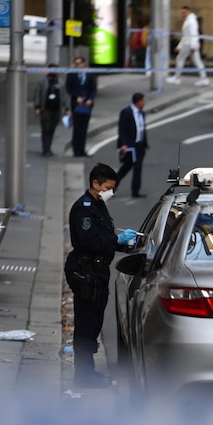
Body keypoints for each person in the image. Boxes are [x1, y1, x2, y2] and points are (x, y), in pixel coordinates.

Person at [64, 163, 136, 388]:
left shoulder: (98, 204)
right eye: (107, 187)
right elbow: (90, 242)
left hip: (98, 271)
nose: (110, 191)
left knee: (94, 322)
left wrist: (125, 245)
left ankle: (88, 372)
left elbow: (104, 236)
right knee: (86, 325)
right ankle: (83, 377)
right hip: (86, 272)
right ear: (95, 183)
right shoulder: (84, 208)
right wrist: (117, 241)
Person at [115, 93, 149, 198]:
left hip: (140, 145)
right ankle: (112, 186)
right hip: (130, 146)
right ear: (138, 101)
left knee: (138, 168)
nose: (144, 103)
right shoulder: (126, 112)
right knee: (126, 167)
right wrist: (123, 144)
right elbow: (122, 129)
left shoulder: (142, 113)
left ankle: (135, 191)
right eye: (143, 101)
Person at [166, 5, 209, 86]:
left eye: (184, 12)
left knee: (180, 59)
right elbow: (186, 35)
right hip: (191, 44)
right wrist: (180, 46)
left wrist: (191, 46)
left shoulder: (190, 21)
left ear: (188, 11)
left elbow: (192, 34)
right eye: (182, 13)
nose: (182, 14)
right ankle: (204, 78)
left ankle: (176, 77)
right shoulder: (190, 20)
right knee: (197, 61)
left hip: (189, 44)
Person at [32, 63, 68, 157]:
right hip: (46, 109)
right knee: (46, 129)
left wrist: (67, 108)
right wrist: (37, 107)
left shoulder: (61, 82)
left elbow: (64, 96)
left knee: (52, 129)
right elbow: (37, 95)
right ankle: (45, 149)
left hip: (56, 109)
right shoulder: (42, 81)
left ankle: (48, 147)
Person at [65, 56, 97, 157]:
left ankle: (82, 150)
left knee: (84, 128)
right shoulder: (71, 74)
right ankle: (76, 150)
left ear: (83, 63)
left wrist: (90, 99)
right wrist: (76, 97)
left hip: (87, 105)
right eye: (76, 64)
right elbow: (69, 88)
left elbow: (93, 88)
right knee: (77, 128)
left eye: (79, 63)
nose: (78, 66)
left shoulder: (90, 74)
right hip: (76, 105)